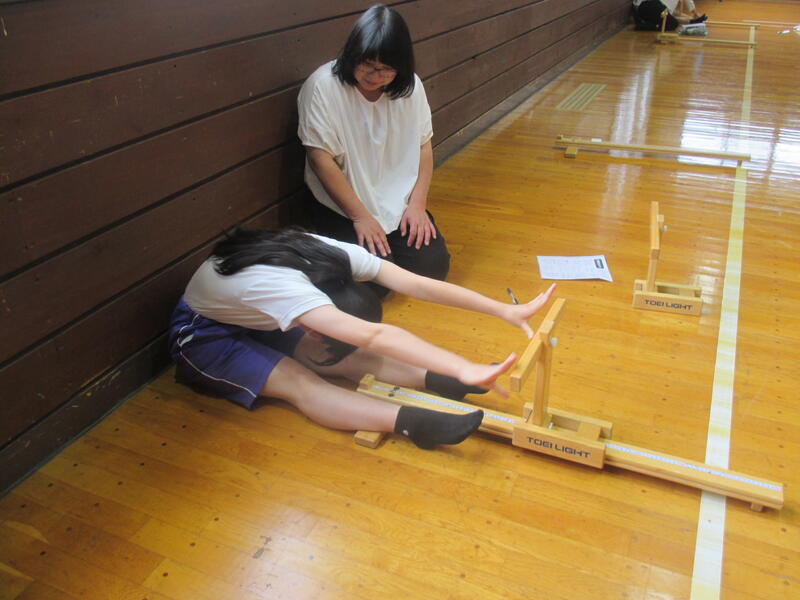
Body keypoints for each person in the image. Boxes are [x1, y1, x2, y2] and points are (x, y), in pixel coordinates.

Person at [168, 228, 556, 450]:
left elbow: (417, 284)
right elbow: (375, 335)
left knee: (345, 357)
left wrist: (502, 310)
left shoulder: (336, 258)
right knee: (301, 381)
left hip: (253, 311)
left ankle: (438, 380)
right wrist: (463, 365)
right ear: (314, 322)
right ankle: (411, 423)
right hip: (203, 333)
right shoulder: (289, 294)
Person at [297, 5, 448, 296]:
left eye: (387, 69)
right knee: (375, 286)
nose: (376, 76)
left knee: (432, 268)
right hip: (344, 206)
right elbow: (320, 159)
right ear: (352, 54)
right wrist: (360, 217)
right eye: (368, 65)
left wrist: (417, 205)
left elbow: (424, 145)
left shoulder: (411, 87)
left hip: (396, 201)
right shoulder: (323, 86)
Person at [633, 0, 707, 31]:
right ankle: (644, 26)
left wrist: (691, 20)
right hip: (647, 4)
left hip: (654, 8)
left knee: (672, 22)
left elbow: (670, 14)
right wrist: (695, 13)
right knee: (672, 24)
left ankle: (692, 21)